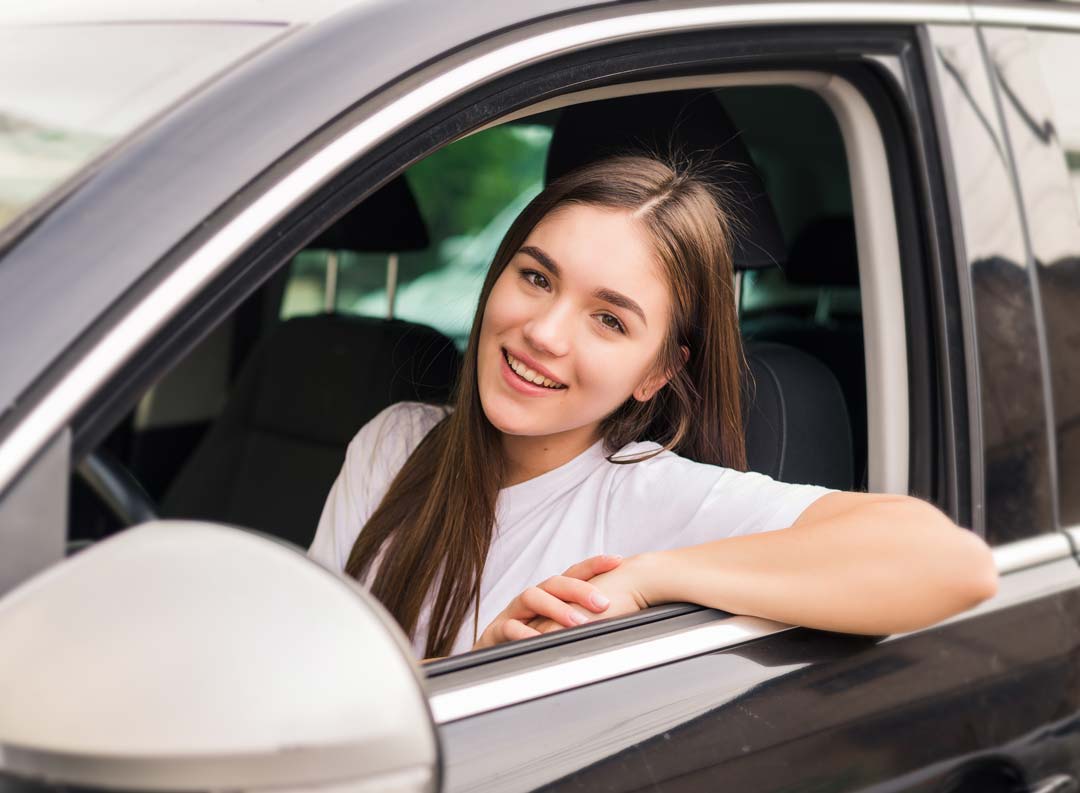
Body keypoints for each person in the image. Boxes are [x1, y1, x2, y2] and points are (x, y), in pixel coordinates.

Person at [308, 155, 997, 660]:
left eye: (609, 320)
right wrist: (463, 674)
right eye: (537, 276)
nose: (544, 333)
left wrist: (646, 579)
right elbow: (303, 677)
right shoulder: (394, 443)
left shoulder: (646, 498)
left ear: (657, 372)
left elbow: (954, 564)